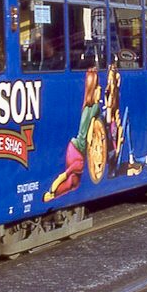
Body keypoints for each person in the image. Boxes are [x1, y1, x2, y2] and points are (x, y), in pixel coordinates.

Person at [43, 68, 101, 202]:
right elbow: (95, 129)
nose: (101, 89)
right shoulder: (94, 108)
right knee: (71, 179)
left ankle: (52, 194)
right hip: (78, 152)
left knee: (74, 183)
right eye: (98, 87)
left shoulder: (87, 107)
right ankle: (51, 194)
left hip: (74, 148)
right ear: (93, 89)